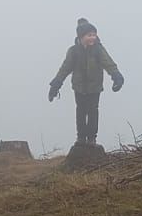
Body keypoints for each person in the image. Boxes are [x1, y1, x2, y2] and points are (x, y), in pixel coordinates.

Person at [48, 19, 124, 149]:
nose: (92, 38)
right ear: (81, 37)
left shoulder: (98, 50)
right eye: (89, 35)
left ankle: (92, 138)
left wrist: (116, 76)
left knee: (93, 111)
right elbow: (65, 68)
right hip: (79, 87)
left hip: (94, 87)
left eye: (94, 35)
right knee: (81, 111)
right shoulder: (73, 51)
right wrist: (56, 84)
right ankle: (81, 138)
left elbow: (108, 63)